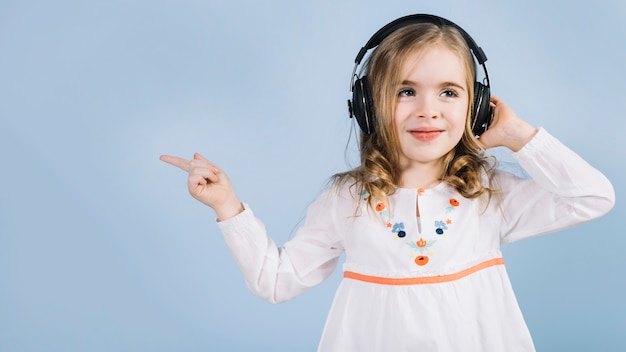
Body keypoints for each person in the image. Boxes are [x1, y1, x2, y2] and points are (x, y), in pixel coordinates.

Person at [160, 14, 614, 351]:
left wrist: (519, 137)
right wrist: (228, 207)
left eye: (449, 92)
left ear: (475, 106)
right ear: (368, 105)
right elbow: (275, 282)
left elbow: (592, 198)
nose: (428, 109)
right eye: (405, 90)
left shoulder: (488, 193)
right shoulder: (345, 200)